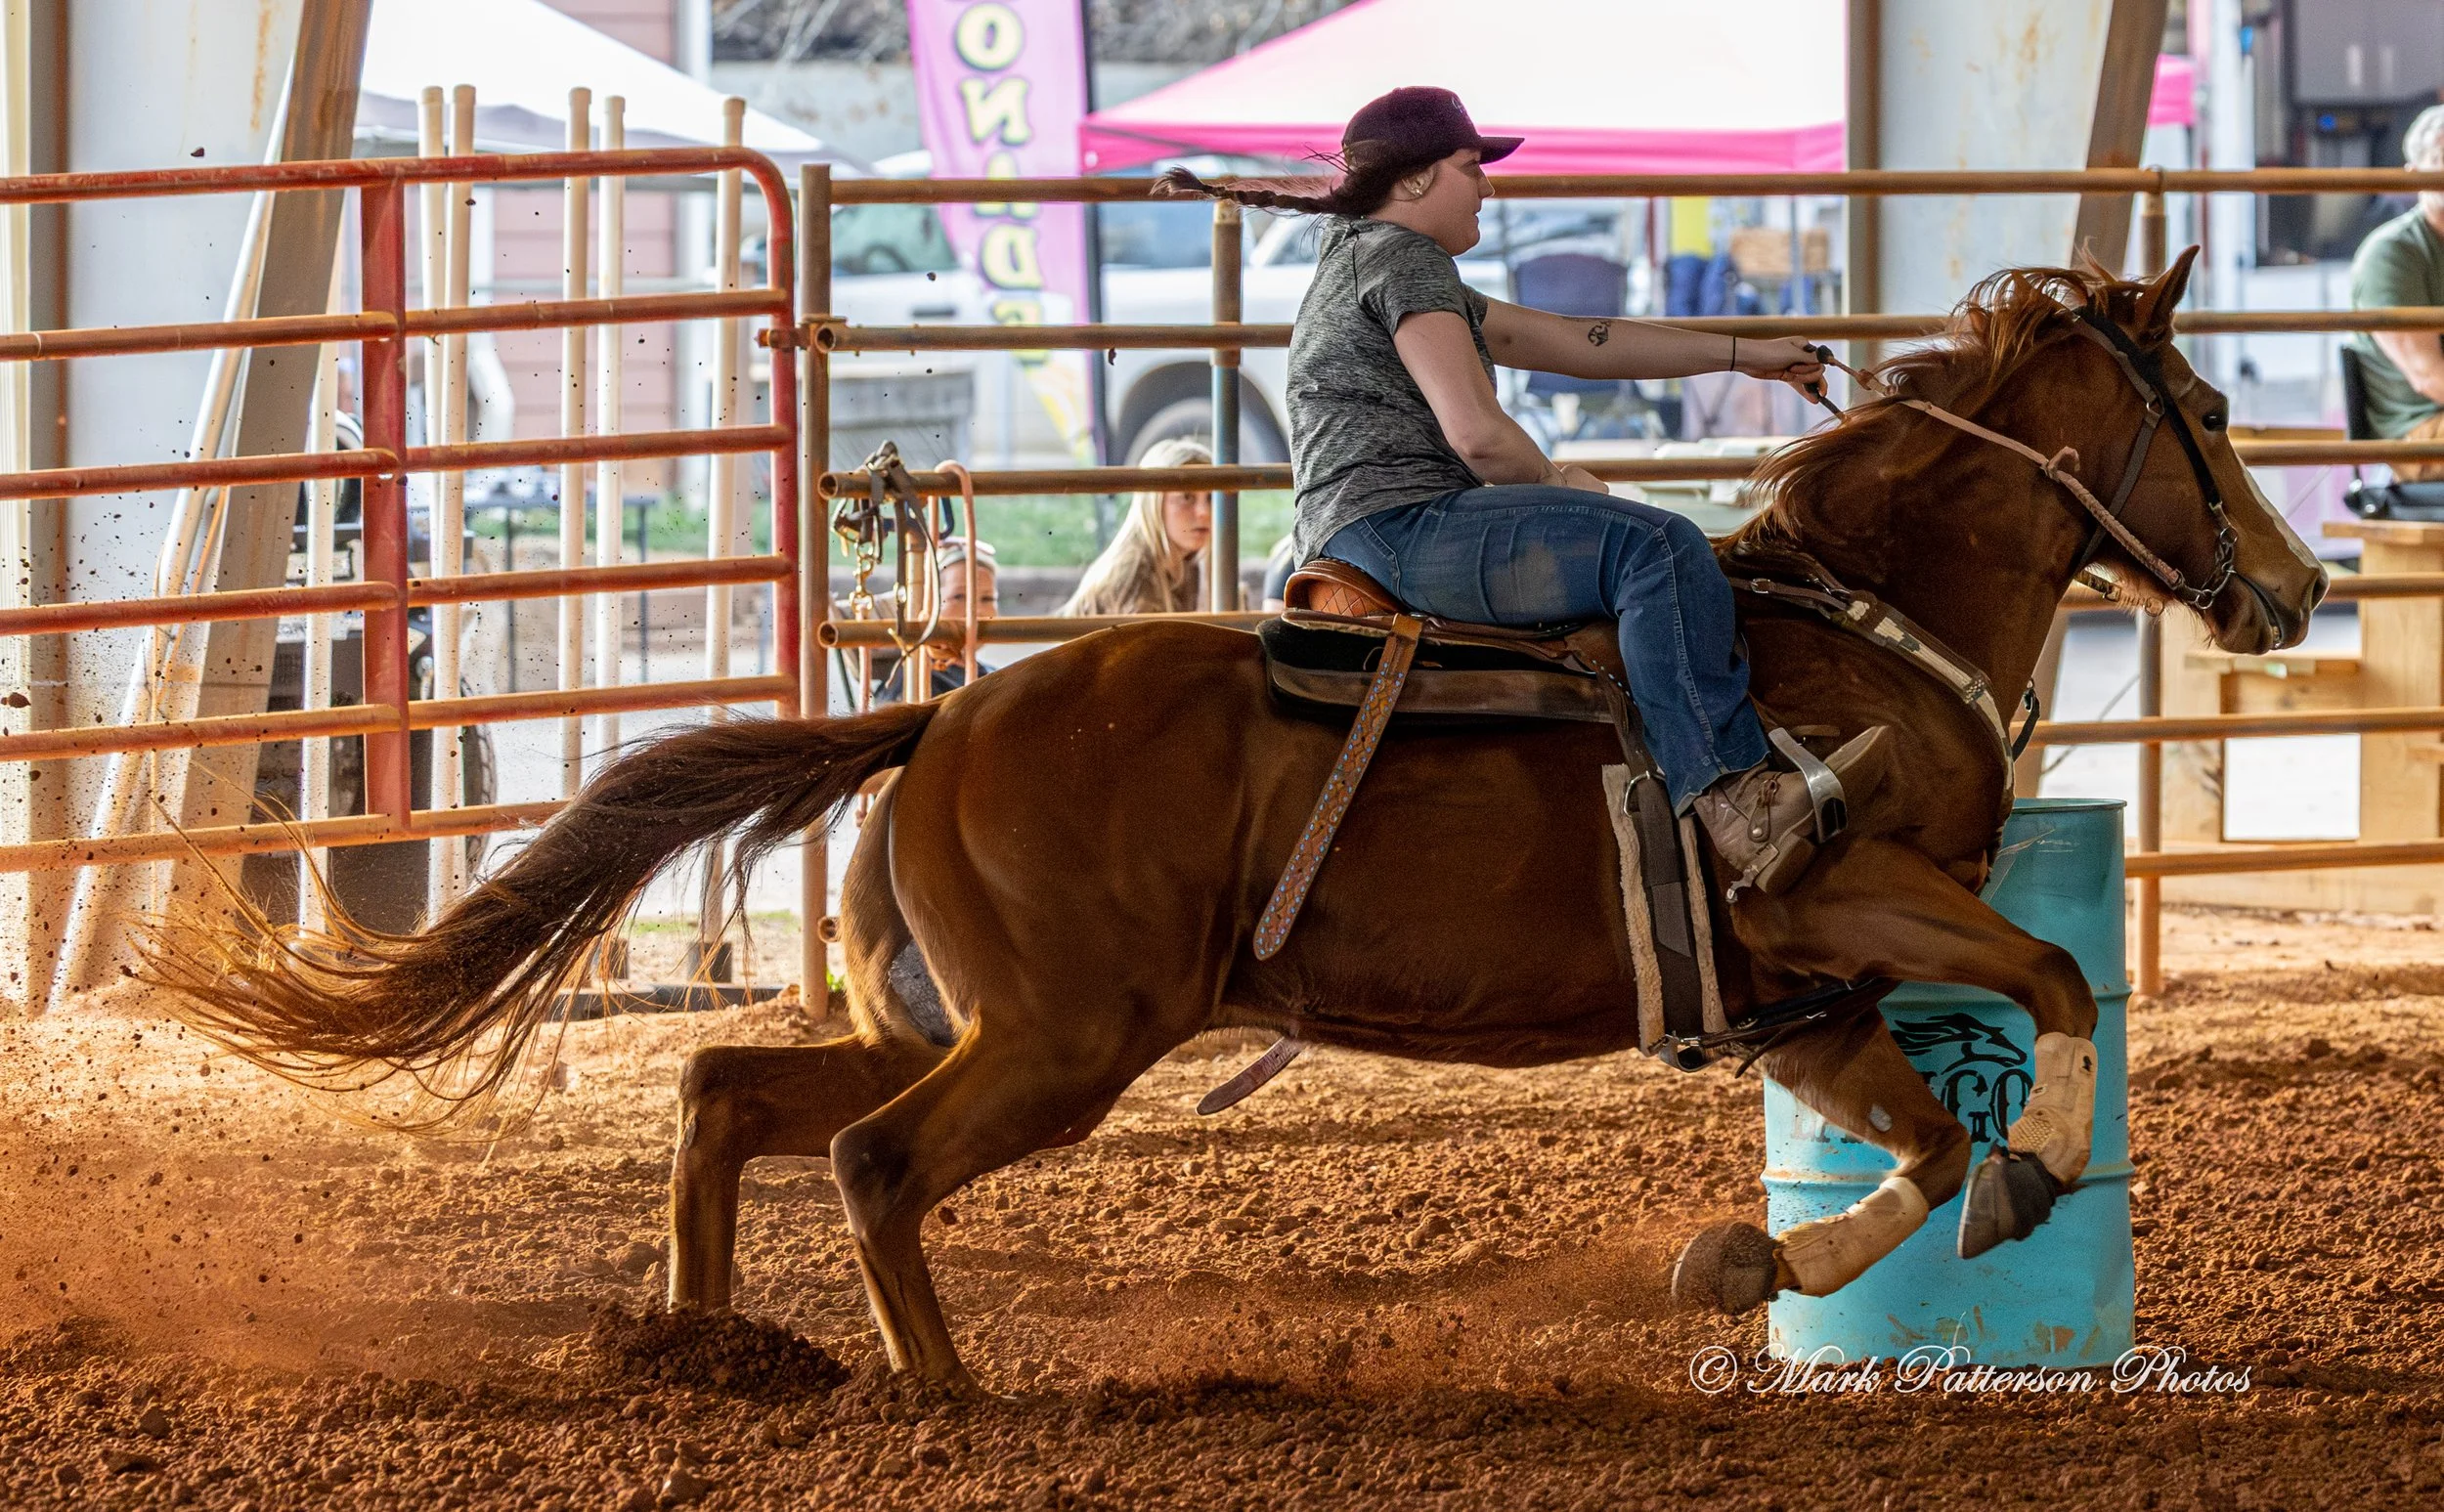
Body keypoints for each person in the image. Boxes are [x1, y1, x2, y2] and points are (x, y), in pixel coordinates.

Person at [1164, 86, 1891, 896]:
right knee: (1658, 545)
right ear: (1412, 182)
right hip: (1406, 527)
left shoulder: (1366, 258)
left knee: (1643, 541)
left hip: (1364, 531)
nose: (1487, 185)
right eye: (1470, 167)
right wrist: (1559, 479)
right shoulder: (1406, 262)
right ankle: (1734, 797)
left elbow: (1581, 341)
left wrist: (1740, 353)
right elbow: (1476, 432)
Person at [2351, 105, 2444, 481]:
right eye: (2442, 157)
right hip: (2419, 433)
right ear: (2413, 176)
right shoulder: (2391, 253)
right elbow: (2430, 376)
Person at [1061, 438, 1216, 615]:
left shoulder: (1191, 563)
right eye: (1187, 497)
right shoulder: (1133, 578)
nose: (1204, 512)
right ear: (1154, 503)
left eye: (1211, 498)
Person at [873, 536, 997, 702]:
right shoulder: (914, 682)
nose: (978, 611)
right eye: (959, 596)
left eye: (988, 599)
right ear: (929, 602)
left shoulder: (995, 674)